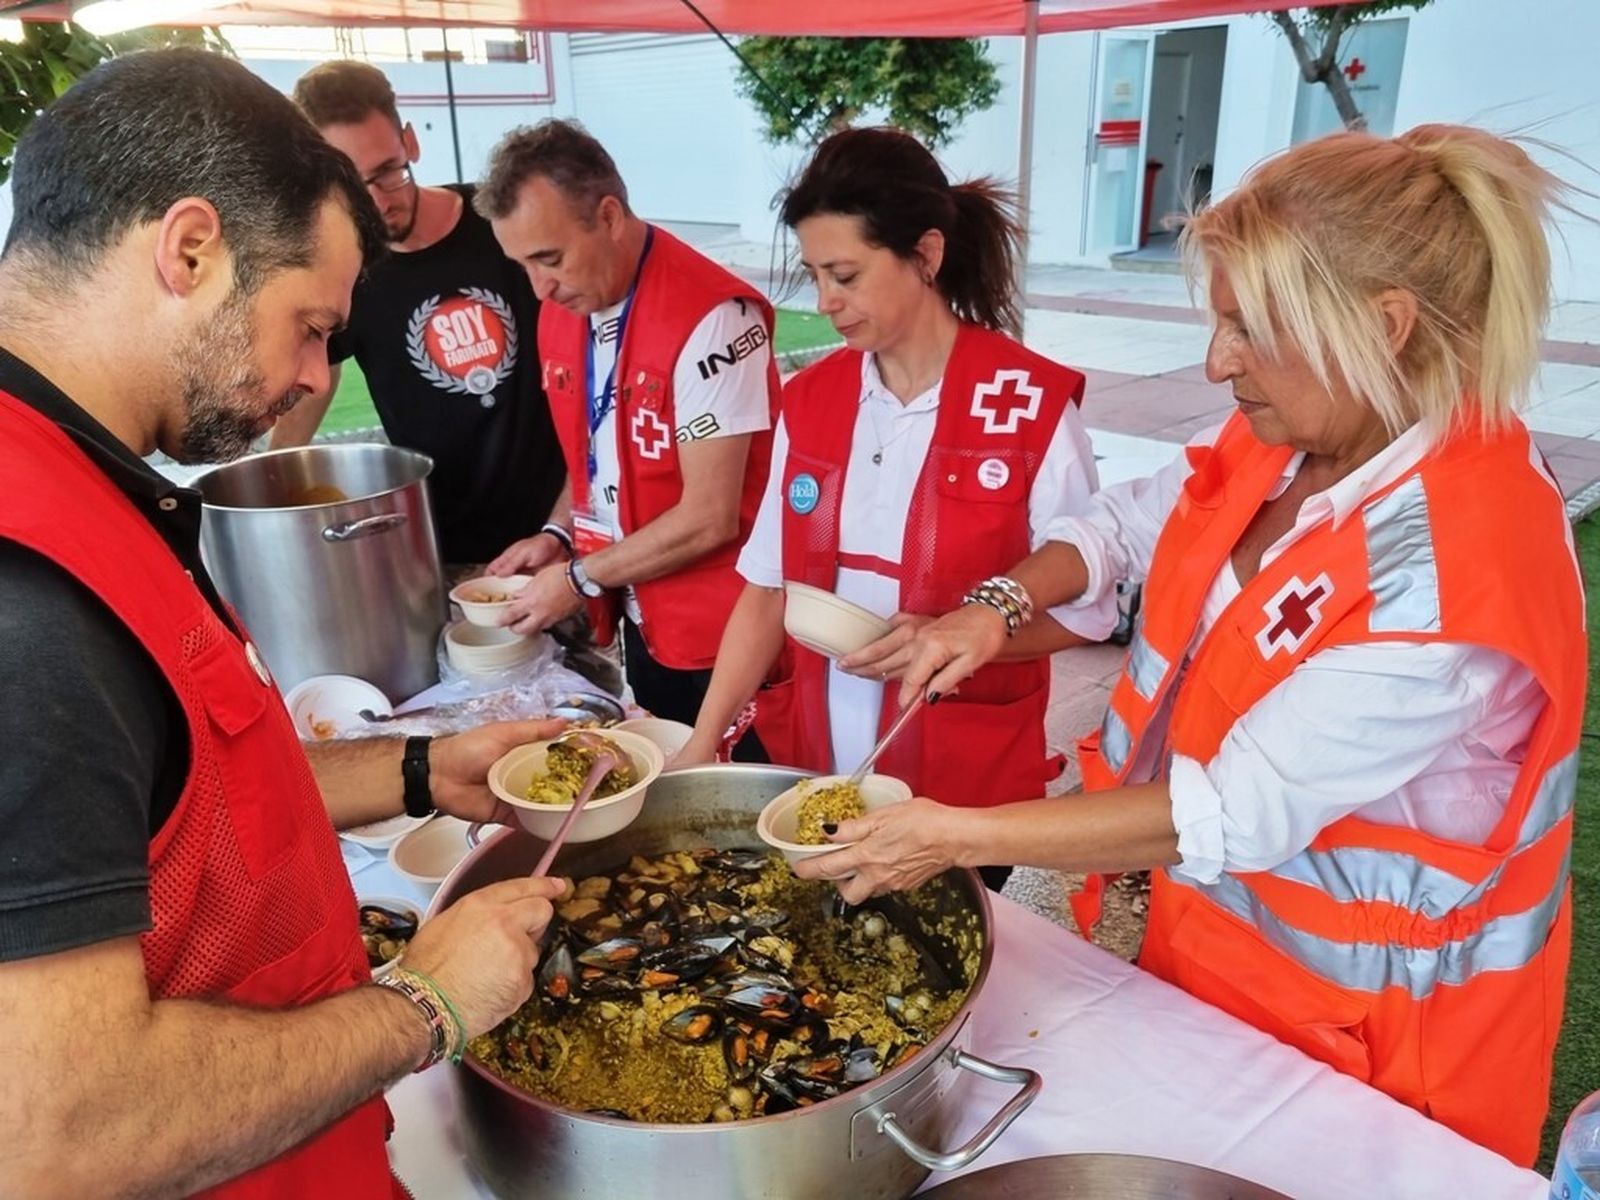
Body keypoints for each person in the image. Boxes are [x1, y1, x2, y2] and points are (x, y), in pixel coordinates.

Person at [797, 124, 1585, 1166]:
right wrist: (991, 606)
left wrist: (949, 836)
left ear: (1383, 326)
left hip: (1380, 1055)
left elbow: (1231, 811)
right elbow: (1121, 525)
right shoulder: (1290, 436)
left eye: (1247, 331)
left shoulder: (1450, 573)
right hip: (1212, 968)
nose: (1217, 366)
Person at [0, 50, 567, 1198]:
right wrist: (425, 1001)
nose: (313, 375)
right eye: (310, 326)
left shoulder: (85, 484)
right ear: (191, 250)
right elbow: (60, 1135)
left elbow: (179, 805)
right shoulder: (28, 602)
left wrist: (419, 769)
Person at [675, 127, 1117, 885]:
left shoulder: (1030, 408)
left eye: (844, 274)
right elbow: (766, 587)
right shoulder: (812, 402)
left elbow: (1087, 611)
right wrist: (701, 744)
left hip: (963, 786)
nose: (826, 303)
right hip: (815, 764)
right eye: (814, 276)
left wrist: (958, 637)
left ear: (927, 256)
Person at [477, 120, 779, 731]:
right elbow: (594, 450)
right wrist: (557, 534)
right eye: (522, 265)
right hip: (639, 615)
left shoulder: (712, 319)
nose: (539, 288)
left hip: (723, 633)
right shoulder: (567, 304)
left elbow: (709, 516)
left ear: (610, 216)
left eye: (549, 258)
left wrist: (581, 577)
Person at [274, 61, 567, 568]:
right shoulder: (343, 269)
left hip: (556, 534)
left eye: (388, 171)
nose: (377, 202)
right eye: (353, 184)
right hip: (436, 550)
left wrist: (568, 528)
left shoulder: (499, 220)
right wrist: (269, 483)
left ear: (410, 141)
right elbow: (312, 377)